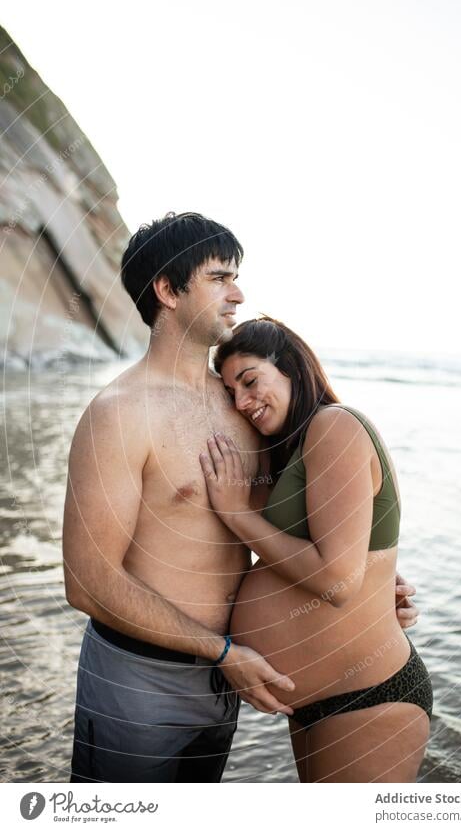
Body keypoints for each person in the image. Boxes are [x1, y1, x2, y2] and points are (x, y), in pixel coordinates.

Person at [63, 212, 419, 783]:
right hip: (140, 678)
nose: (239, 293)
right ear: (167, 290)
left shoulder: (241, 408)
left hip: (227, 679)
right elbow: (87, 581)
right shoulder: (119, 415)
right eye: (220, 278)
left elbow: (309, 521)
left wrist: (375, 585)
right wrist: (223, 651)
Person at [199, 315, 433, 783]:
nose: (243, 402)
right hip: (321, 701)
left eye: (250, 381)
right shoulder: (294, 447)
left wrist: (235, 512)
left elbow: (337, 580)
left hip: (369, 696)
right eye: (232, 394)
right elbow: (347, 555)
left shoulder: (334, 426)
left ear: (291, 367)